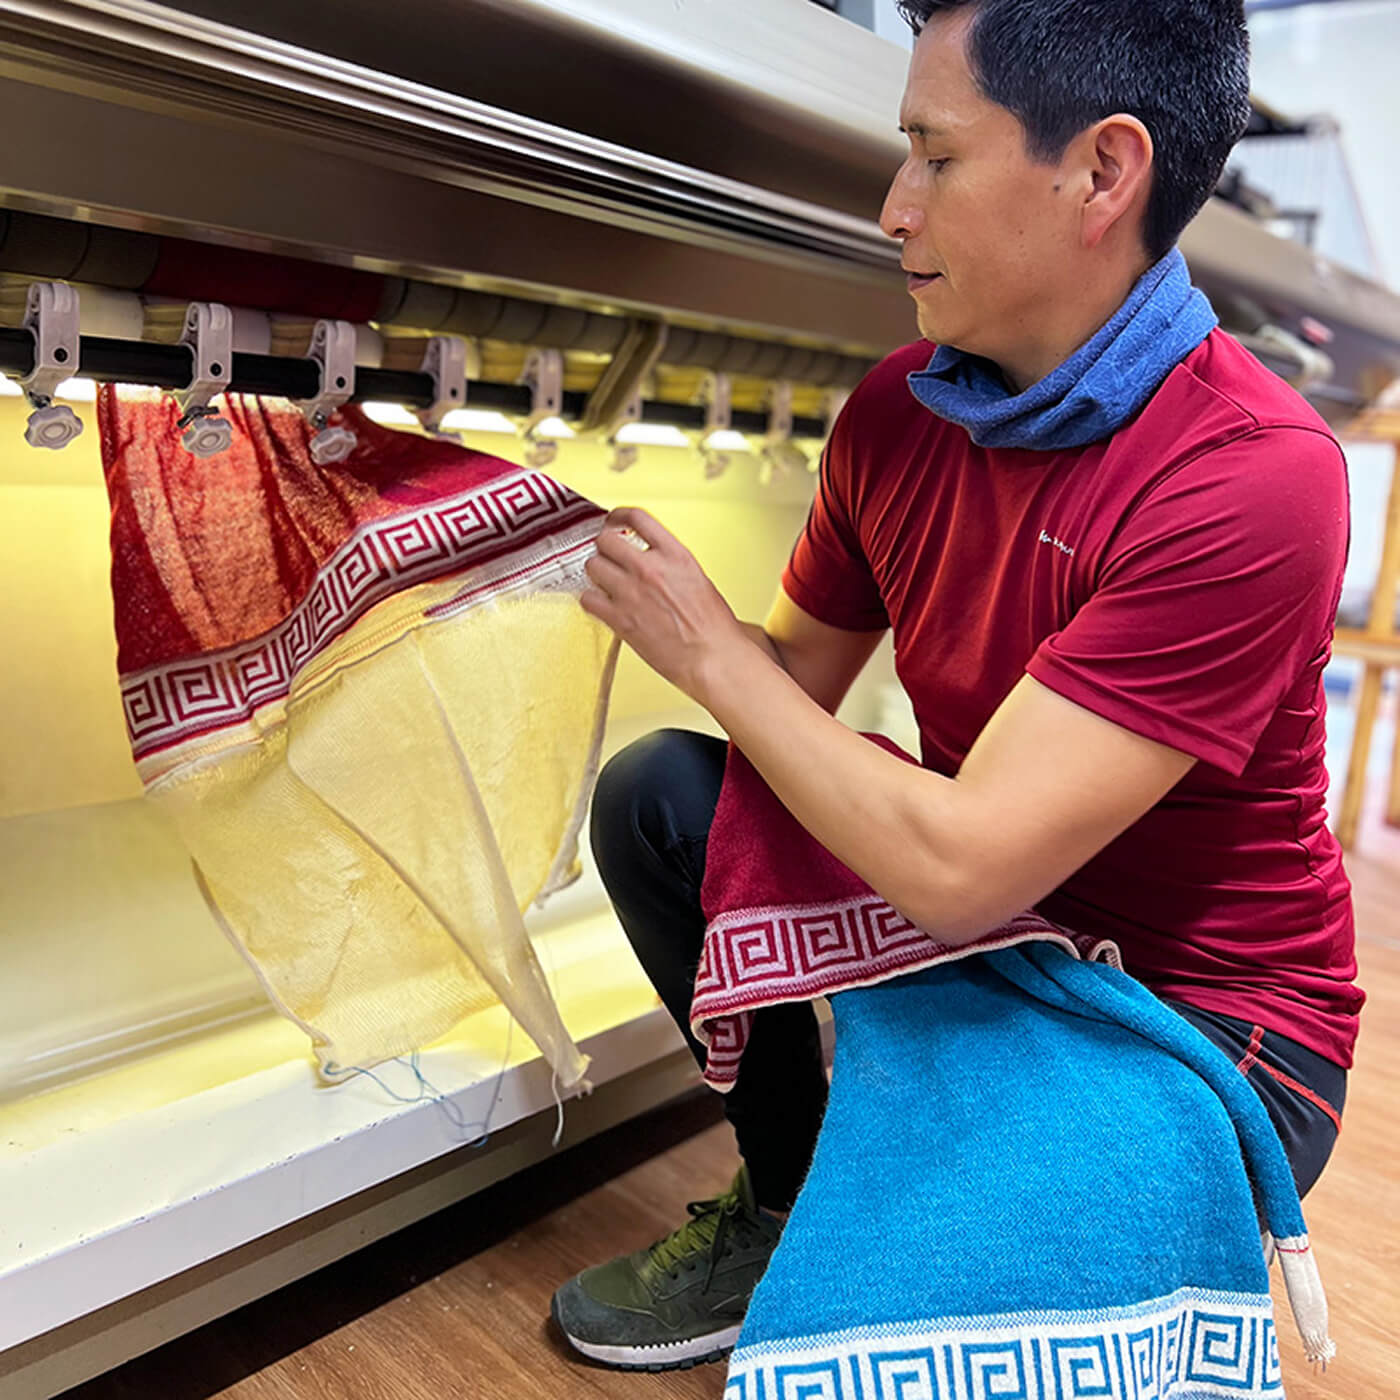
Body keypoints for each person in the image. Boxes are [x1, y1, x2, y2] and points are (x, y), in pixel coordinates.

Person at [550, 0, 1362, 1373]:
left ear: (1102, 173)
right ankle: (790, 1192)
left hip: (1205, 1020)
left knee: (954, 1274)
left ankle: (951, 1189)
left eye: (934, 156)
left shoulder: (1251, 476)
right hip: (991, 929)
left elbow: (966, 865)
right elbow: (782, 699)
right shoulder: (894, 417)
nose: (890, 208)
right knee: (667, 798)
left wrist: (699, 645)